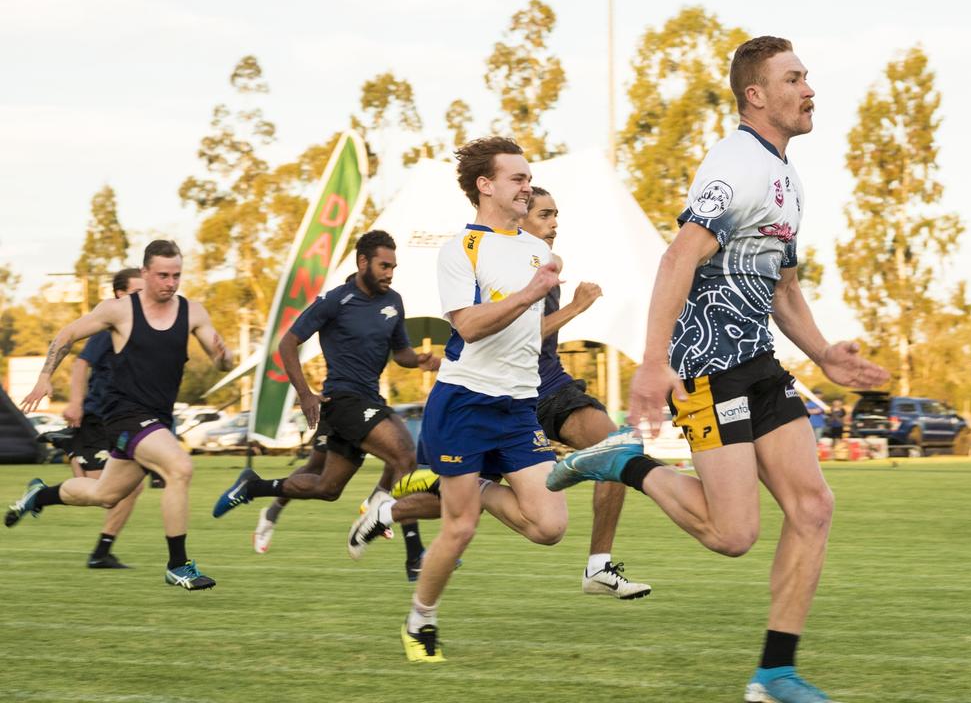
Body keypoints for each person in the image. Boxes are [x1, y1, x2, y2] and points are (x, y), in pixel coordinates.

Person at [546, 37, 889, 703]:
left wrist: (824, 356)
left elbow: (783, 289)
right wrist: (651, 363)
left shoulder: (787, 179)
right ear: (756, 95)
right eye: (795, 79)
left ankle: (774, 674)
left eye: (808, 77)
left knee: (813, 507)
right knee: (733, 534)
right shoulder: (736, 165)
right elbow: (678, 257)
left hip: (758, 363)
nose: (810, 89)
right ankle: (622, 463)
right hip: (708, 369)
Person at [385, 136, 568, 663]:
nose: (527, 186)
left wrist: (557, 302)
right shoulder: (459, 250)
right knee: (460, 527)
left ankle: (480, 482)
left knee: (551, 527)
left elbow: (529, 335)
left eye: (528, 178)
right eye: (517, 178)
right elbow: (467, 324)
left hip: (517, 407)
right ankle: (421, 619)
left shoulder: (538, 251)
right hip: (465, 402)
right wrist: (530, 294)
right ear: (486, 186)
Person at [211, 230, 442, 581]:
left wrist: (420, 359)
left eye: (393, 267)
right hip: (344, 401)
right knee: (405, 456)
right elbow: (287, 343)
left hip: (369, 399)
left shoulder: (393, 301)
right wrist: (304, 394)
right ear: (362, 262)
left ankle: (253, 487)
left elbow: (401, 353)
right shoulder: (335, 300)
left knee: (327, 488)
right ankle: (412, 555)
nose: (390, 273)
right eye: (383, 266)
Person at [9, 240, 233, 590]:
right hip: (123, 415)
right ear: (145, 273)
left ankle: (39, 496)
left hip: (157, 419)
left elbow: (221, 361)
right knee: (180, 468)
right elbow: (68, 334)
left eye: (176, 275)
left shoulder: (193, 312)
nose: (170, 283)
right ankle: (178, 564)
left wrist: (224, 357)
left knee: (105, 495)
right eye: (162, 275)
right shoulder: (120, 311)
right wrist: (44, 377)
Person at [518, 185, 650, 599]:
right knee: (457, 499)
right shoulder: (509, 268)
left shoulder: (548, 265)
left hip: (551, 386)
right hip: (512, 396)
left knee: (619, 445)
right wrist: (576, 307)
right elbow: (516, 340)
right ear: (518, 218)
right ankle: (391, 507)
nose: (554, 223)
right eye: (544, 215)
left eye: (556, 215)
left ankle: (599, 566)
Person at [57, 268, 148, 568]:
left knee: (131, 487)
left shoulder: (143, 330)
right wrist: (75, 403)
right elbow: (81, 365)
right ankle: (67, 456)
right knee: (105, 495)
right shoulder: (110, 325)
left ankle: (101, 552)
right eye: (136, 292)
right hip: (96, 416)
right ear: (119, 294)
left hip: (121, 418)